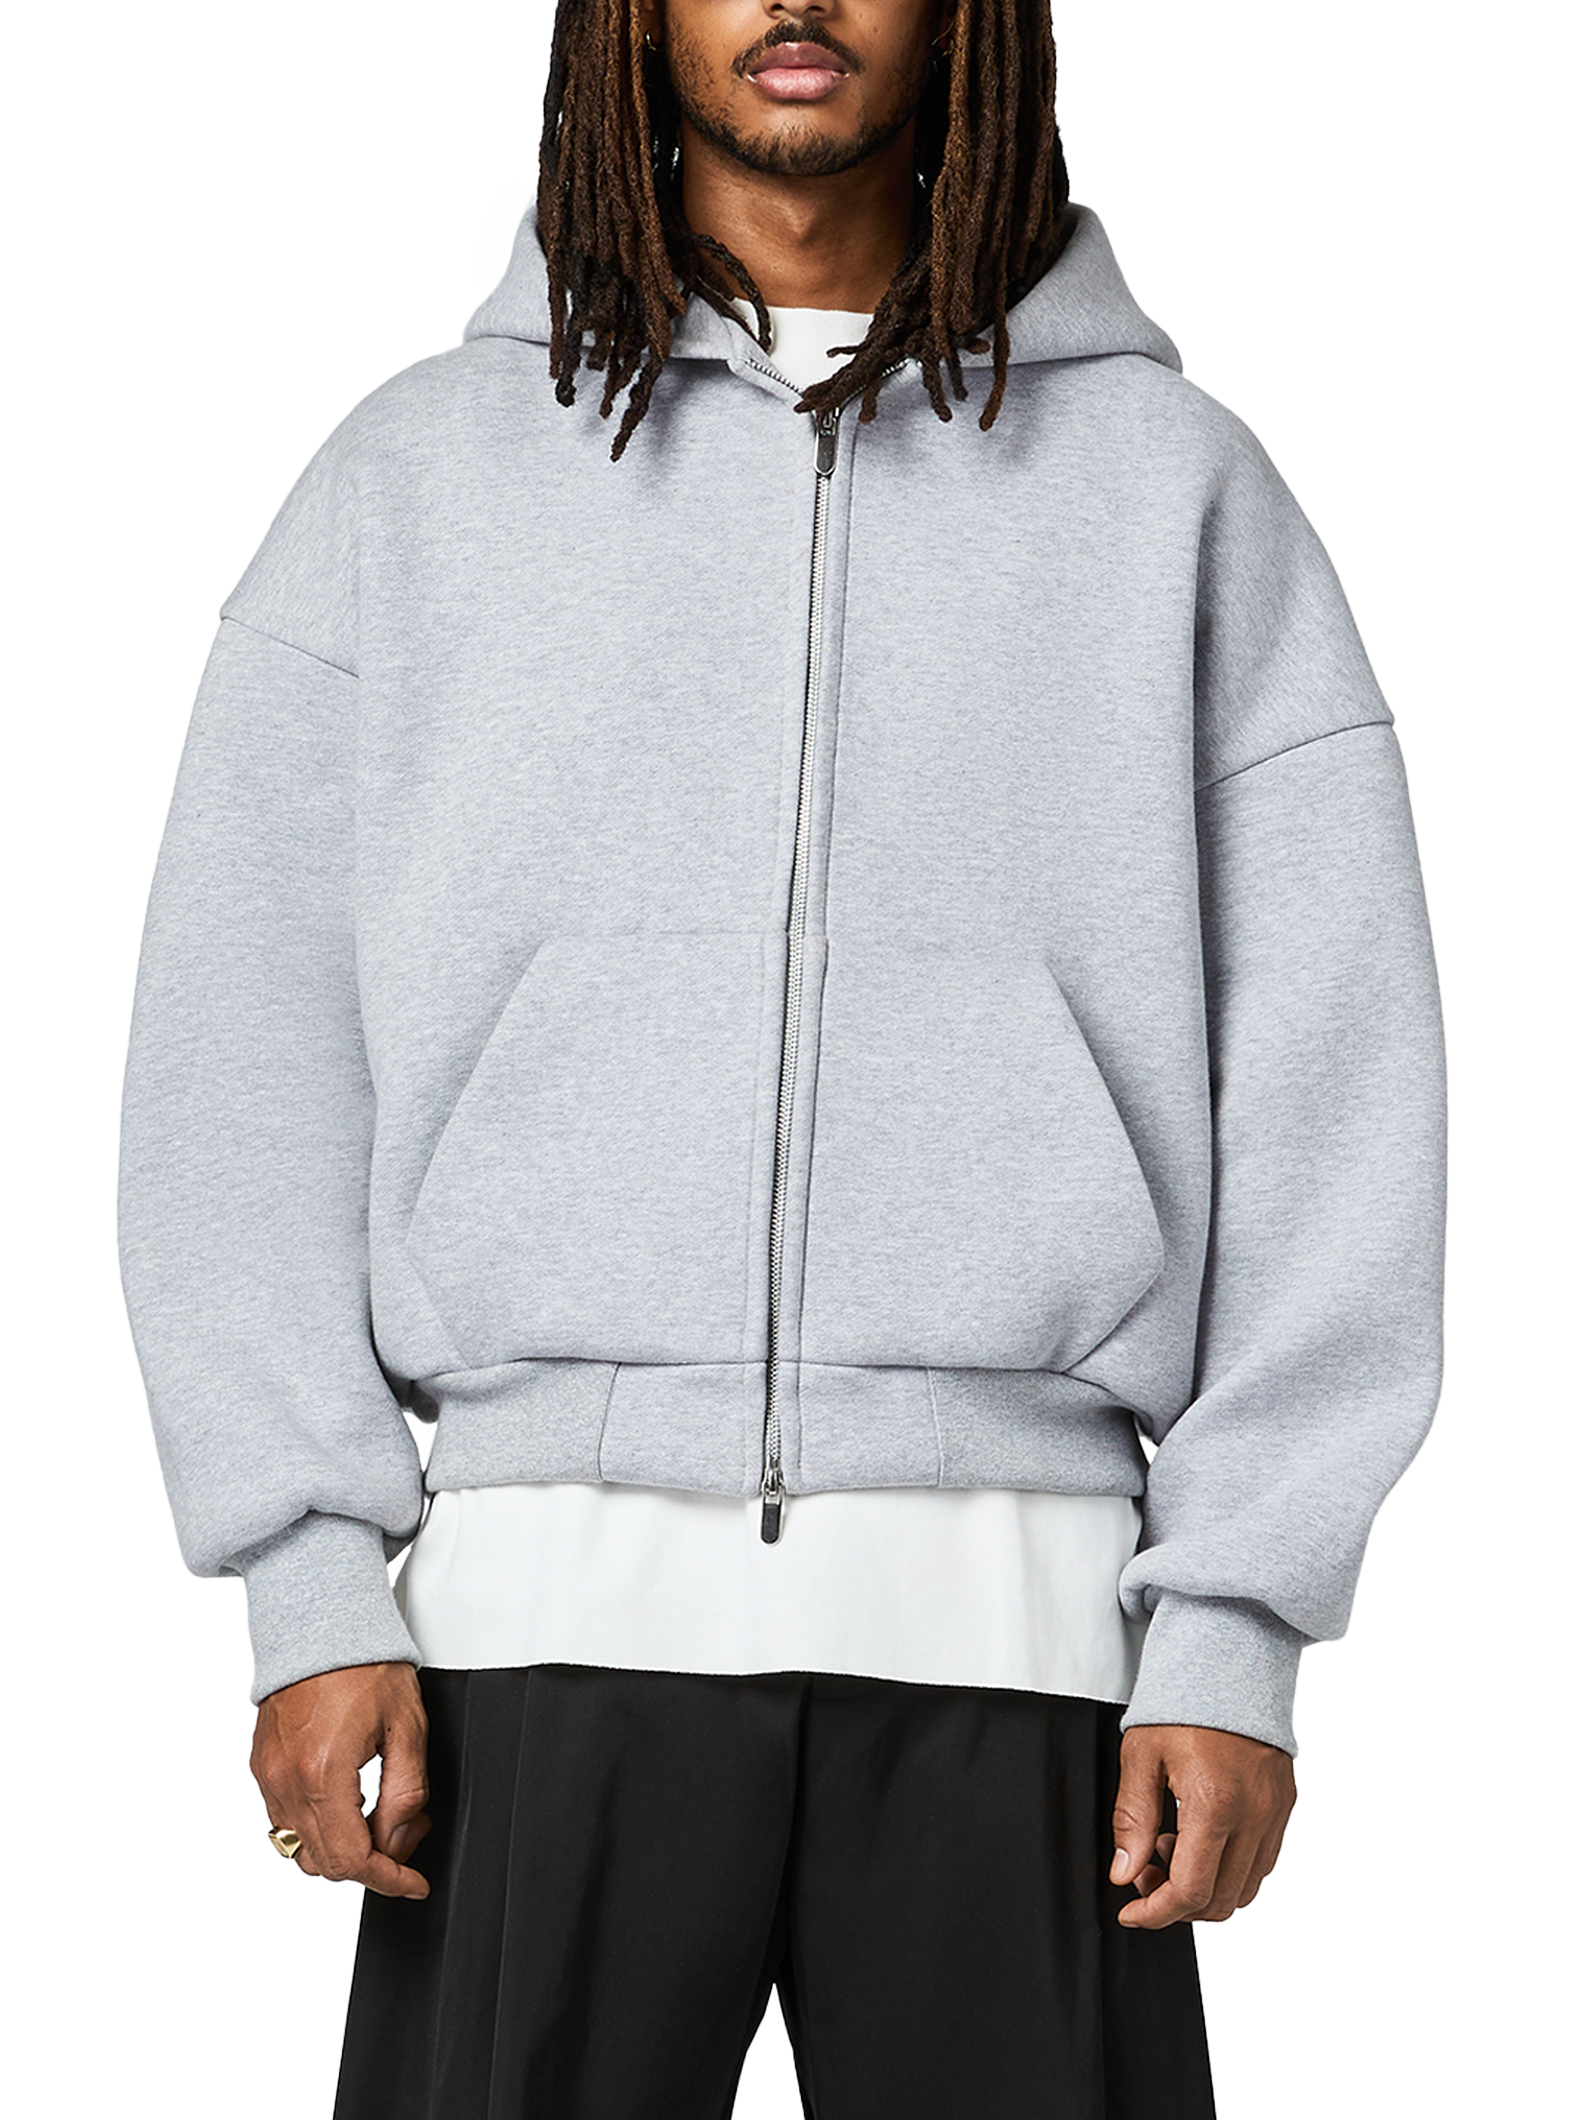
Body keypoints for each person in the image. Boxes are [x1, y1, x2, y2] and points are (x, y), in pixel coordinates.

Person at [114, 0, 1448, 2113]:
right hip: (519, 1615)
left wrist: (1237, 1620)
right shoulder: (412, 480)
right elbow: (245, 1058)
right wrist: (307, 1580)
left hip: (1029, 1627)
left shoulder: (1179, 492)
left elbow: (1333, 1084)